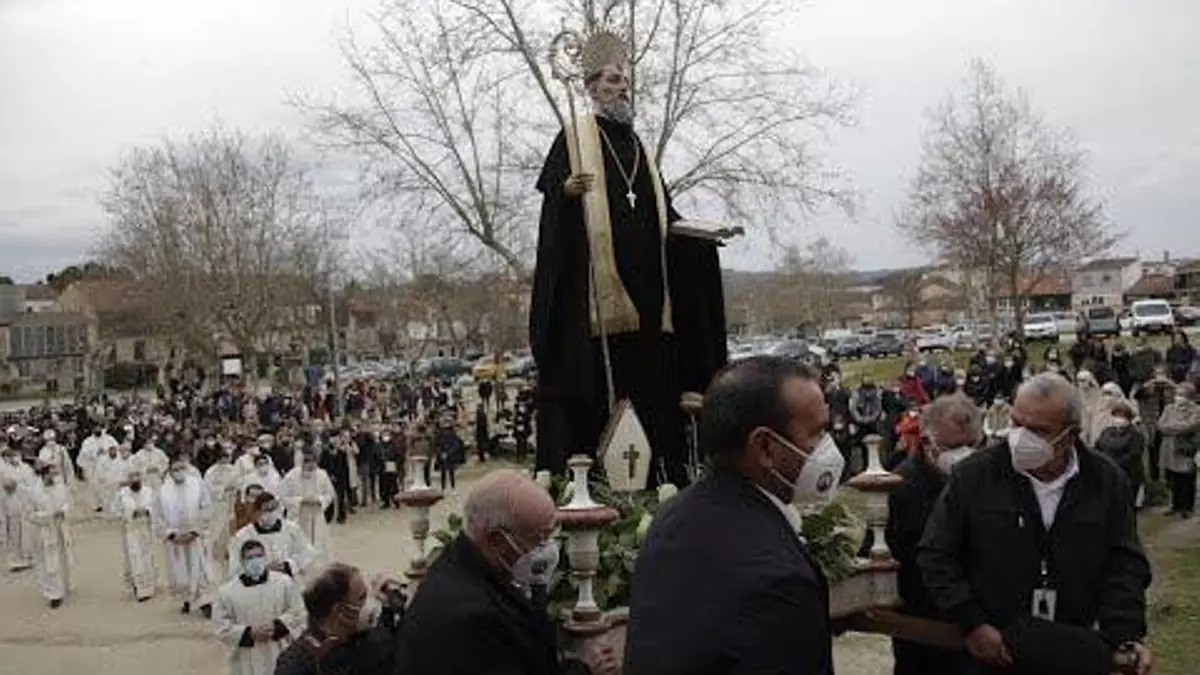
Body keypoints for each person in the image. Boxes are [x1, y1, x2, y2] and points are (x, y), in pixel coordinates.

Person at [529, 30, 727, 486]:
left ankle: (665, 480)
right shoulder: (574, 138)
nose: (623, 88)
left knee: (655, 400)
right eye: (614, 80)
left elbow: (665, 216)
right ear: (593, 86)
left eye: (625, 81)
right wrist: (565, 193)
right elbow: (552, 218)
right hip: (599, 313)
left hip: (652, 309)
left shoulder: (638, 147)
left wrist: (699, 239)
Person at [918, 373, 1152, 674]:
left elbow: (1124, 562)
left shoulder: (1104, 480)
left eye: (1038, 430)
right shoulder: (975, 475)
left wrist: (1124, 634)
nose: (1021, 438)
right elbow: (936, 553)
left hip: (1070, 646)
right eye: (1017, 424)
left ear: (1070, 434)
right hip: (993, 648)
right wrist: (971, 623)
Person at [624, 356, 841, 675]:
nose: (828, 448)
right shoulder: (778, 578)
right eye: (816, 433)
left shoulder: (672, 516)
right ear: (765, 447)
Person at [394, 469, 612, 675]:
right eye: (538, 539)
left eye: (549, 536)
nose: (544, 550)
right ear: (496, 539)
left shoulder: (459, 567)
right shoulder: (472, 618)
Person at [885, 394, 979, 675]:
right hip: (922, 623)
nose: (965, 454)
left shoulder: (985, 479)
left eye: (972, 445)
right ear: (927, 442)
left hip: (976, 622)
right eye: (954, 447)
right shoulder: (900, 486)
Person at [273, 563, 397, 675]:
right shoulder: (295, 665)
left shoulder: (371, 639)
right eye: (361, 598)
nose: (369, 604)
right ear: (339, 610)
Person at [213, 539, 307, 675]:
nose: (255, 561)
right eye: (250, 558)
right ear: (242, 561)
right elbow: (221, 627)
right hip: (247, 659)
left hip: (279, 650)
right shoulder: (227, 592)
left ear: (265, 557)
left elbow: (299, 612)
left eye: (259, 556)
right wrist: (249, 633)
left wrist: (277, 626)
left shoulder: (283, 583)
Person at [160, 457, 214, 614]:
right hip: (176, 539)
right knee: (181, 570)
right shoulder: (163, 491)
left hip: (195, 535)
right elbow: (158, 517)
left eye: (181, 468)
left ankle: (205, 602)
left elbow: (206, 507)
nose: (179, 472)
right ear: (170, 472)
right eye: (175, 469)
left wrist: (196, 531)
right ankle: (187, 599)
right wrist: (171, 535)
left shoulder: (197, 485)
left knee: (200, 568)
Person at [228, 491, 316, 583]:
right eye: (267, 510)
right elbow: (234, 567)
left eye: (274, 508)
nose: (271, 513)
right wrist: (260, 568)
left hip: (289, 581)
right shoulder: (243, 536)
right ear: (257, 512)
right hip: (258, 584)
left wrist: (287, 565)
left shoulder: (292, 529)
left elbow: (307, 553)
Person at [25, 462, 74, 608]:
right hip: (45, 531)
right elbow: (30, 514)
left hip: (60, 528)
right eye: (51, 474)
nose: (54, 477)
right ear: (44, 474)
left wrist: (63, 511)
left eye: (56, 474)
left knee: (63, 558)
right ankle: (53, 594)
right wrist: (49, 515)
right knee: (49, 562)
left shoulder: (60, 487)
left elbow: (68, 503)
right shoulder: (34, 492)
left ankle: (65, 585)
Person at [278, 452, 335, 570]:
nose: (310, 464)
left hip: (316, 515)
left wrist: (319, 500)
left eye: (313, 461)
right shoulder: (291, 476)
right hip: (298, 516)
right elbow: (282, 496)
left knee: (319, 545)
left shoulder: (322, 475)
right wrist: (301, 501)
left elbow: (329, 493)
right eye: (307, 461)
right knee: (299, 544)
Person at [1157, 382, 1199, 519]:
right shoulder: (1169, 408)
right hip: (1168, 448)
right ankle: (1175, 505)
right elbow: (1160, 425)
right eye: (1177, 394)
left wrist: (1172, 427)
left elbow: (1190, 426)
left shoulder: (1196, 410)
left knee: (1186, 479)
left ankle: (1187, 507)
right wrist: (1177, 427)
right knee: (1172, 479)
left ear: (1190, 397)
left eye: (1182, 395)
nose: (1178, 397)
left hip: (1184, 448)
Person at [1094, 402, 1146, 508]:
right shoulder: (1106, 431)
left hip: (1128, 474)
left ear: (1128, 419)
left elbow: (1133, 455)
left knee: (1126, 506)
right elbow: (1098, 446)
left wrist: (1111, 463)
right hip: (1108, 474)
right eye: (1116, 416)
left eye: (1121, 417)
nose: (1118, 420)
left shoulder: (1136, 435)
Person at [117, 469, 158, 602]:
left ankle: (149, 586)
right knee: (135, 558)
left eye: (137, 476)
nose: (135, 480)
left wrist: (147, 511)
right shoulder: (123, 493)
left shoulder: (148, 491)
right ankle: (140, 588)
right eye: (131, 477)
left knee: (147, 558)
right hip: (131, 531)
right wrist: (131, 512)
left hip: (146, 529)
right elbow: (117, 510)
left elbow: (155, 507)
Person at [1, 445, 37, 571]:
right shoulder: (4, 469)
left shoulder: (26, 468)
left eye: (16, 455)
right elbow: (5, 485)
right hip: (11, 503)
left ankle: (29, 557)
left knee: (28, 531)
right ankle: (14, 560)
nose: (14, 458)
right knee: (14, 533)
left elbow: (33, 483)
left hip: (26, 503)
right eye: (10, 456)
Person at [205, 448, 240, 576]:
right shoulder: (211, 472)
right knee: (217, 528)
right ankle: (214, 551)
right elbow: (208, 488)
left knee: (230, 528)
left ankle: (229, 550)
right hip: (218, 505)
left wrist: (234, 489)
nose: (225, 461)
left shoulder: (233, 469)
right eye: (223, 459)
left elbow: (239, 483)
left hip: (231, 502)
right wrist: (223, 489)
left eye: (227, 458)